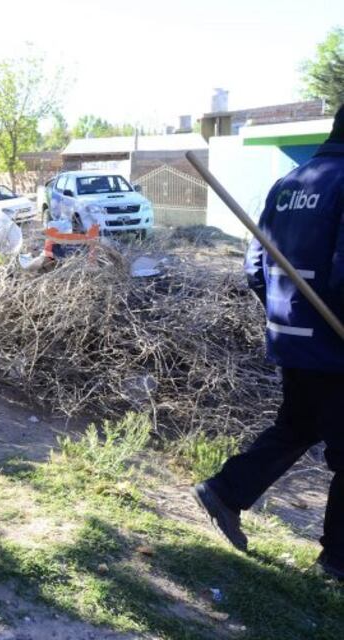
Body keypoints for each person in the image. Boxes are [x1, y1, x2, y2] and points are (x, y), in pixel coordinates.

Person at [192, 104, 344, 582]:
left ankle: (227, 491)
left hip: (292, 336)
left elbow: (256, 266)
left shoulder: (291, 182)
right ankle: (337, 563)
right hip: (335, 344)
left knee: (298, 425)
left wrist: (284, 314)